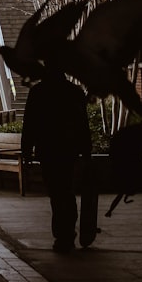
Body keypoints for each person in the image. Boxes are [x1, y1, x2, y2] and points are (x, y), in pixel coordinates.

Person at [19, 64, 91, 252]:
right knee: (66, 189)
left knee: (56, 192)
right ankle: (67, 233)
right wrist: (86, 151)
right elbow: (83, 123)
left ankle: (62, 234)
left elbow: (30, 122)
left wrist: (26, 150)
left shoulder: (38, 92)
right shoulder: (75, 92)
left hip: (48, 148)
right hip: (69, 148)